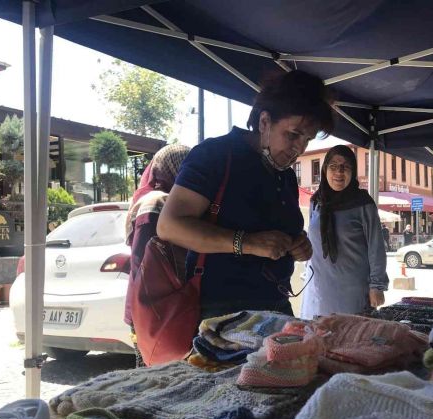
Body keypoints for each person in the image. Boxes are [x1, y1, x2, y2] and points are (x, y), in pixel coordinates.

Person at [158, 70, 333, 319]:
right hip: (222, 312)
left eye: (307, 139)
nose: (299, 148)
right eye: (293, 135)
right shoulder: (215, 155)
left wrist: (298, 244)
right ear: (264, 122)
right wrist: (247, 243)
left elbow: (279, 229)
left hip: (277, 304)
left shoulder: (284, 173)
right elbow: (169, 226)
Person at [300, 145, 388, 318]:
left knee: (350, 339)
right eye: (333, 166)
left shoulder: (363, 203)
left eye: (345, 167)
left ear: (353, 171)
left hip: (353, 291)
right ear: (325, 170)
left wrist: (377, 286)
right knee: (319, 338)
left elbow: (376, 247)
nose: (339, 172)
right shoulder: (316, 201)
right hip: (319, 287)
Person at [124, 145, 190, 367]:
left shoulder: (167, 201)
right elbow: (144, 263)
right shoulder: (157, 202)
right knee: (156, 378)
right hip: (156, 307)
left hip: (156, 305)